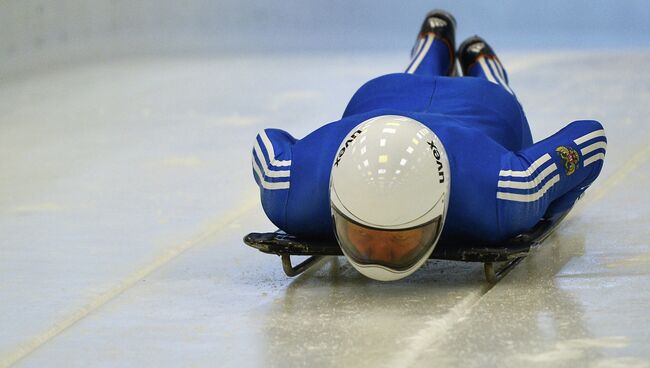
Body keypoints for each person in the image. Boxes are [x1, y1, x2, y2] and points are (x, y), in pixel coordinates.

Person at [251, 10, 607, 281]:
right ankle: (470, 53)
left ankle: (467, 56)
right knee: (437, 89)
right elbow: (589, 136)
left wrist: (545, 204)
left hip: (477, 108)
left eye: (400, 241)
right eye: (360, 236)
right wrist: (550, 201)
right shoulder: (510, 193)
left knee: (490, 96)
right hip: (408, 101)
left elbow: (268, 144)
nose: (379, 254)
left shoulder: (506, 192)